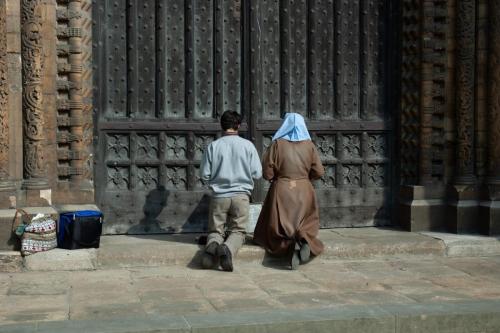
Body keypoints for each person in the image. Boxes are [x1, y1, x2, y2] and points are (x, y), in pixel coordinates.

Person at [253, 113, 325, 270]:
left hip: (282, 188)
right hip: (304, 189)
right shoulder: (309, 145)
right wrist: (305, 179)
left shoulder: (277, 144)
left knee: (278, 225)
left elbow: (267, 172)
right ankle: (304, 240)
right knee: (305, 222)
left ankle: (288, 246)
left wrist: (276, 177)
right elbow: (319, 172)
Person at [199, 111, 262, 271]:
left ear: (222, 126)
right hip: (241, 196)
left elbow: (204, 174)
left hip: (219, 196)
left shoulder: (214, 146)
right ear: (238, 126)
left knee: (215, 230)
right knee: (238, 231)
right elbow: (257, 173)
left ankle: (212, 246)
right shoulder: (248, 145)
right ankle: (227, 248)